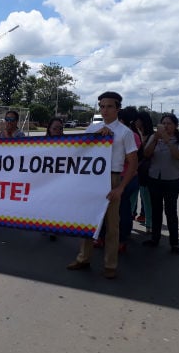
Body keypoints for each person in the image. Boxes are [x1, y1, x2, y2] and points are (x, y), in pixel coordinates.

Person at [66, 91, 137, 279]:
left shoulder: (125, 132)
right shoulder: (92, 127)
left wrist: (120, 188)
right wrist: (96, 137)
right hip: (92, 178)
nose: (105, 110)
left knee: (112, 225)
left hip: (112, 179)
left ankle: (110, 265)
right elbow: (80, 152)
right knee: (88, 221)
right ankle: (83, 258)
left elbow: (133, 163)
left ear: (118, 108)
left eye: (109, 106)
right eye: (102, 106)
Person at [142, 113, 179, 254]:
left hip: (171, 180)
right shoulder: (153, 137)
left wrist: (168, 141)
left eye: (169, 123)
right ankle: (155, 238)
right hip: (154, 179)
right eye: (164, 123)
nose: (166, 126)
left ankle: (174, 243)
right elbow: (146, 154)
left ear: (175, 125)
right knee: (156, 210)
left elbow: (178, 155)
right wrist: (155, 139)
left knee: (171, 211)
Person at [117, 107, 141, 253]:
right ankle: (120, 237)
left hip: (126, 177)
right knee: (120, 208)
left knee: (123, 209)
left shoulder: (129, 135)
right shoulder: (131, 135)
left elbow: (131, 158)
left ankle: (122, 238)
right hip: (122, 177)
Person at [131, 111, 154, 233]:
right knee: (132, 198)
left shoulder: (151, 136)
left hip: (145, 172)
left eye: (137, 120)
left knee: (146, 199)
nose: (135, 122)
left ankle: (149, 224)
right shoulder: (134, 134)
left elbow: (145, 153)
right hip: (134, 171)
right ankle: (128, 222)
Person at [45, 117, 64, 241]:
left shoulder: (70, 143)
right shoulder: (41, 143)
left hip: (60, 181)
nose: (57, 131)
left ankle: (54, 228)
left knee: (57, 205)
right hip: (45, 180)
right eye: (54, 128)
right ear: (49, 130)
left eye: (60, 128)